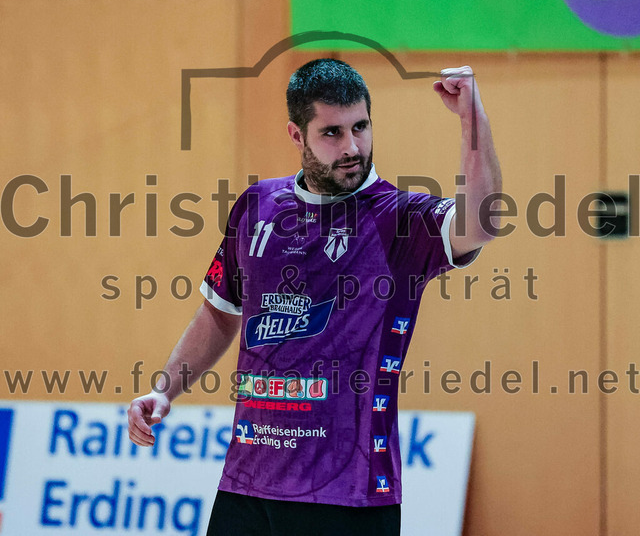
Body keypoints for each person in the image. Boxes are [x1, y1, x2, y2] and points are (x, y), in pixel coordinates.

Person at [128, 59, 501, 536]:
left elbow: (482, 222)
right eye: (332, 133)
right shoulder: (257, 207)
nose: (352, 147)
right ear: (296, 134)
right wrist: (165, 389)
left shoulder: (400, 218)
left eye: (360, 127)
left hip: (348, 495)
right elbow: (219, 313)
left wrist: (472, 120)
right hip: (247, 487)